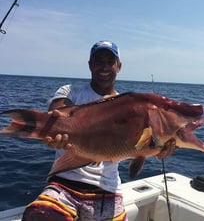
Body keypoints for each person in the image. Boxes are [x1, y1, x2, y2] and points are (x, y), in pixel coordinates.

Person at [22, 41, 126, 221]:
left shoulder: (126, 106)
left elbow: (131, 148)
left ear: (119, 66)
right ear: (89, 65)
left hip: (107, 190)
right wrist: (53, 127)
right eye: (98, 61)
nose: (104, 66)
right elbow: (57, 112)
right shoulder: (69, 91)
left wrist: (158, 147)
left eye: (110, 61)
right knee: (39, 216)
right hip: (64, 183)